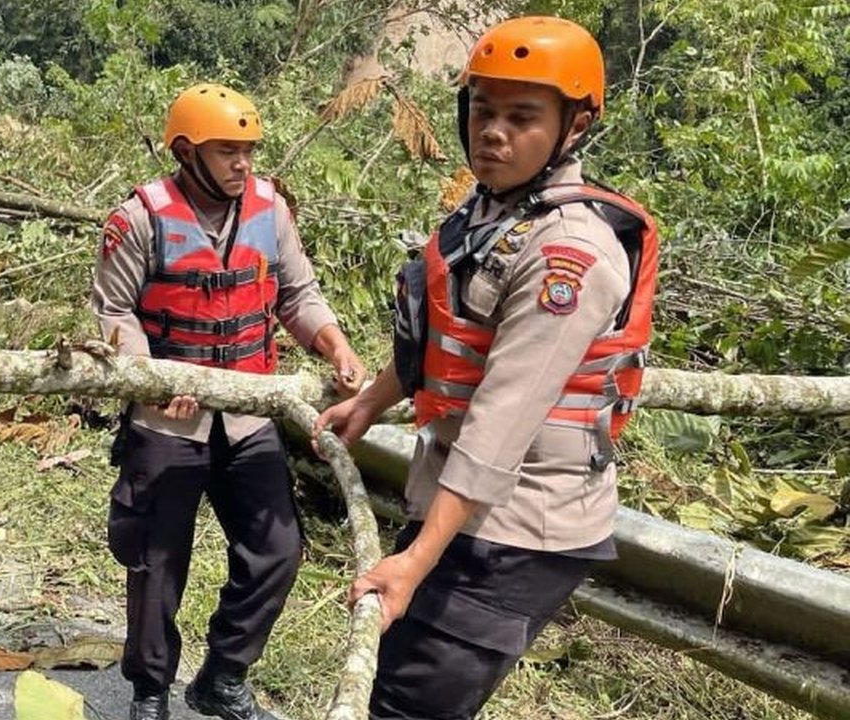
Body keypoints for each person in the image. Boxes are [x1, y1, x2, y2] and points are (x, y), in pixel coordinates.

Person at [314, 16, 659, 719]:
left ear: (575, 125)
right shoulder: (493, 213)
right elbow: (447, 336)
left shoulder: (569, 254)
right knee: (391, 686)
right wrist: (371, 402)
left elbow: (502, 422)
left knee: (407, 706)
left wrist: (415, 560)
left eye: (521, 117)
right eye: (482, 110)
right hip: (461, 504)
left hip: (517, 526)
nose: (493, 132)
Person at [92, 83, 366, 720]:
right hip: (166, 423)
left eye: (248, 151)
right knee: (157, 563)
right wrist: (156, 380)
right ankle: (150, 691)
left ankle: (222, 676)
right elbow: (114, 312)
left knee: (277, 550)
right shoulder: (140, 218)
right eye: (227, 152)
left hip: (248, 416)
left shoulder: (271, 209)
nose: (243, 164)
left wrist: (336, 346)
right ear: (186, 153)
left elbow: (297, 295)